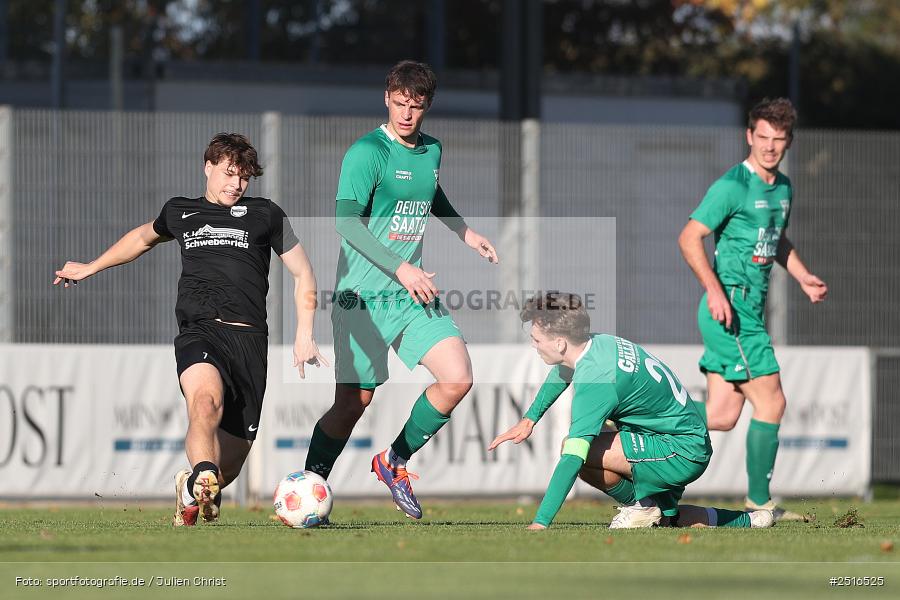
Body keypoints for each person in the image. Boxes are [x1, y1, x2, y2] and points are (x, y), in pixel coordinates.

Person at [54, 133, 326, 527]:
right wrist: (91, 266)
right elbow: (141, 239)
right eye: (230, 173)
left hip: (250, 342)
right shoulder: (181, 211)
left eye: (245, 178)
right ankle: (202, 471)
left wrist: (305, 332)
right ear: (208, 167)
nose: (236, 184)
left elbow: (304, 273)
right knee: (205, 403)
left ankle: (191, 486)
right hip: (201, 332)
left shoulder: (266, 214)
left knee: (225, 470)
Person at [302, 60, 499, 520]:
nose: (407, 114)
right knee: (354, 402)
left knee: (458, 378)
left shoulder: (432, 149)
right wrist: (401, 267)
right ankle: (310, 486)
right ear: (386, 98)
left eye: (416, 106)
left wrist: (464, 232)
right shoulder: (367, 152)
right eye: (400, 103)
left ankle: (394, 461)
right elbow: (345, 222)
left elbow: (432, 193)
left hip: (411, 293)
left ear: (427, 106)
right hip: (361, 298)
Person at [489, 292, 773, 530]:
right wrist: (530, 419)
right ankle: (749, 520)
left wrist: (541, 522)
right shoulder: (598, 343)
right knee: (669, 520)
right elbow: (563, 370)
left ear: (560, 343)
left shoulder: (596, 379)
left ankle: (642, 506)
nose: (533, 344)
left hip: (681, 449)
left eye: (537, 339)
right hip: (678, 440)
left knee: (576, 448)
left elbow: (572, 456)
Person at [677, 98, 827, 521]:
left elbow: (775, 239)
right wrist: (714, 290)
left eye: (778, 140)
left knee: (722, 416)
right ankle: (760, 505)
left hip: (746, 313)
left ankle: (640, 421)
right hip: (731, 312)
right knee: (773, 402)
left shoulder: (783, 188)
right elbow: (689, 237)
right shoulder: (732, 186)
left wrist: (802, 276)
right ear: (749, 136)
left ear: (789, 142)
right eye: (762, 137)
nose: (769, 147)